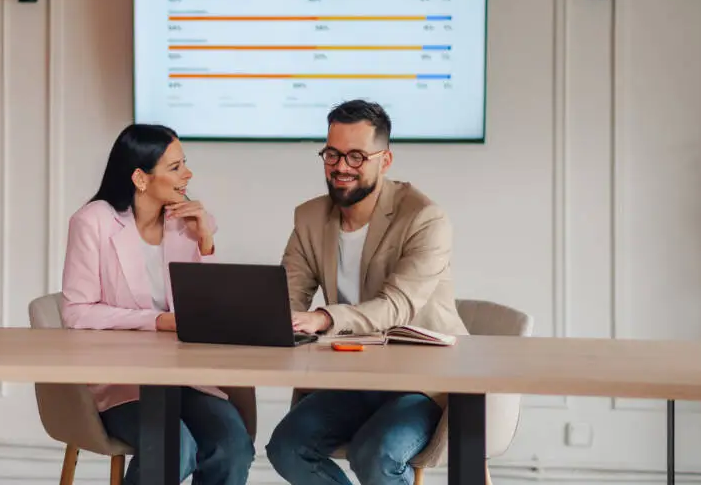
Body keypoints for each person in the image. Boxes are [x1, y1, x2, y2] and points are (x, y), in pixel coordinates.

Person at [266, 99, 469, 485]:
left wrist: (324, 317)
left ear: (385, 160)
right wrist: (270, 318)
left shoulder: (425, 218)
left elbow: (398, 306)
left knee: (375, 453)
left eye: (357, 156)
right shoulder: (310, 218)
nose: (342, 167)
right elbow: (287, 296)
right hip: (354, 378)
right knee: (286, 447)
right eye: (332, 154)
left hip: (422, 382)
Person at [60, 123, 254, 485]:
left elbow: (208, 309)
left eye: (185, 163)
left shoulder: (189, 222)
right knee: (173, 447)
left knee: (233, 447)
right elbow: (77, 312)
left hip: (185, 379)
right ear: (140, 177)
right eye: (175, 167)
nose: (188, 174)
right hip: (122, 383)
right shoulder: (93, 223)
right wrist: (158, 320)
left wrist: (205, 243)